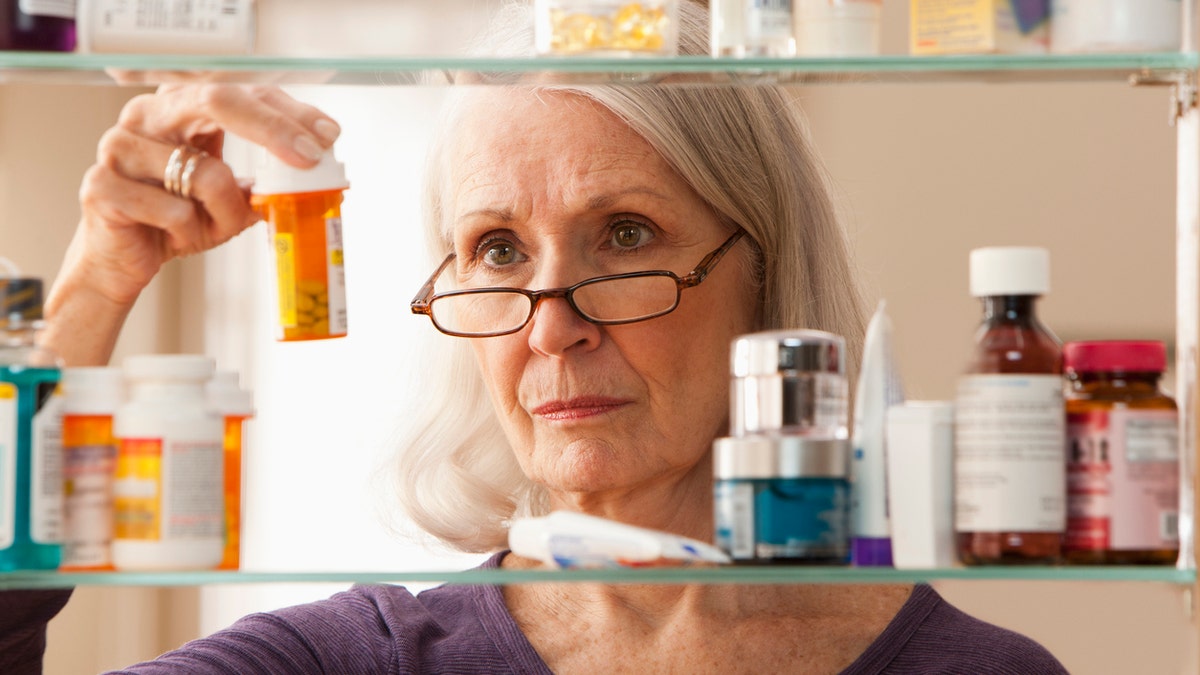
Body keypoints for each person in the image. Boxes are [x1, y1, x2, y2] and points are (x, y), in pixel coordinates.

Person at [5, 2, 1070, 673]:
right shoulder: (354, 661)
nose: (553, 327)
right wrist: (99, 281)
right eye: (499, 251)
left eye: (625, 234)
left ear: (763, 274)